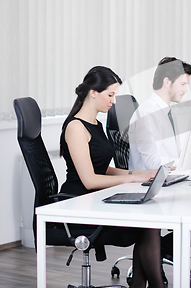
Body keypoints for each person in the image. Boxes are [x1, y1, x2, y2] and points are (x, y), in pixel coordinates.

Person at [59, 66, 164, 288]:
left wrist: (140, 174)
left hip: (96, 199)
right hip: (80, 204)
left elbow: (102, 168)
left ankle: (142, 285)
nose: (114, 101)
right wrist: (130, 179)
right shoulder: (76, 127)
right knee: (148, 225)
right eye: (110, 95)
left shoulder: (96, 124)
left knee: (150, 221)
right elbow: (89, 180)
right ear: (93, 92)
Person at [127, 57, 191, 279]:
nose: (186, 91)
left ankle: (156, 257)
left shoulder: (167, 112)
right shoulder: (146, 114)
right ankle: (158, 255)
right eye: (183, 84)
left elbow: (175, 157)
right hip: (151, 189)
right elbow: (154, 166)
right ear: (167, 82)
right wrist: (189, 166)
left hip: (169, 184)